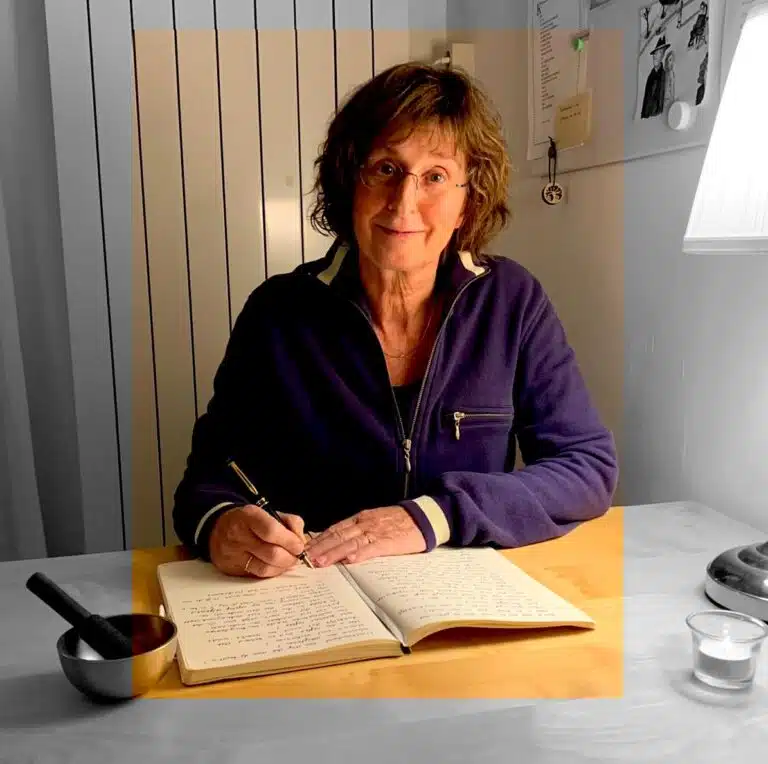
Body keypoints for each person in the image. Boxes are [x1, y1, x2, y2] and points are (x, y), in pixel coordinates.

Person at [172, 62, 619, 579]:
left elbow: (585, 467)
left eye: (435, 177)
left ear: (467, 201)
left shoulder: (511, 301)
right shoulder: (277, 313)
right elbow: (206, 482)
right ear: (350, 182)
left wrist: (433, 516)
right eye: (385, 168)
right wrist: (221, 522)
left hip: (463, 594)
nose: (404, 203)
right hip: (316, 591)